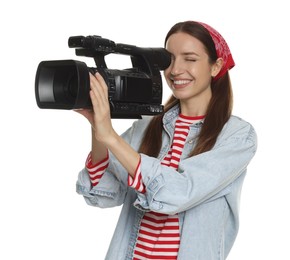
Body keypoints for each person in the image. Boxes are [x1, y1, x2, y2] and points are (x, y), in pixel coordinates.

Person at [75, 20, 257, 260]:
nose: (175, 70)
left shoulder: (237, 136)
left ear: (216, 66)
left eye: (190, 59)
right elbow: (103, 193)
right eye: (169, 60)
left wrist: (111, 136)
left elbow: (178, 193)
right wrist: (98, 128)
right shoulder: (146, 127)